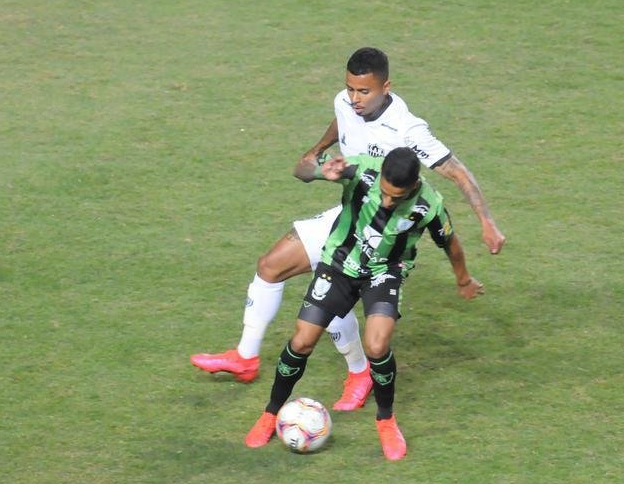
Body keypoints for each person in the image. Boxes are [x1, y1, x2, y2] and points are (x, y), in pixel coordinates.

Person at [191, 48, 504, 412]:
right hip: (347, 216)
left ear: (386, 87)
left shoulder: (408, 129)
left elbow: (456, 171)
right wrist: (318, 152)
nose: (354, 99)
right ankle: (246, 358)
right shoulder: (344, 102)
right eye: (350, 89)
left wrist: (487, 221)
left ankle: (360, 373)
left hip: (380, 233)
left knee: (335, 294)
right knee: (270, 266)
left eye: (364, 92)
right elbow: (340, 126)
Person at [244, 147, 483, 460]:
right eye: (383, 193)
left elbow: (450, 243)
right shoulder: (359, 169)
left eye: (396, 198)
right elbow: (300, 171)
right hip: (339, 264)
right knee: (301, 342)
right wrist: (319, 172)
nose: (386, 202)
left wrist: (463, 280)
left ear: (413, 187)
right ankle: (270, 414)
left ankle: (386, 420)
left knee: (377, 346)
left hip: (384, 273)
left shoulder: (429, 205)